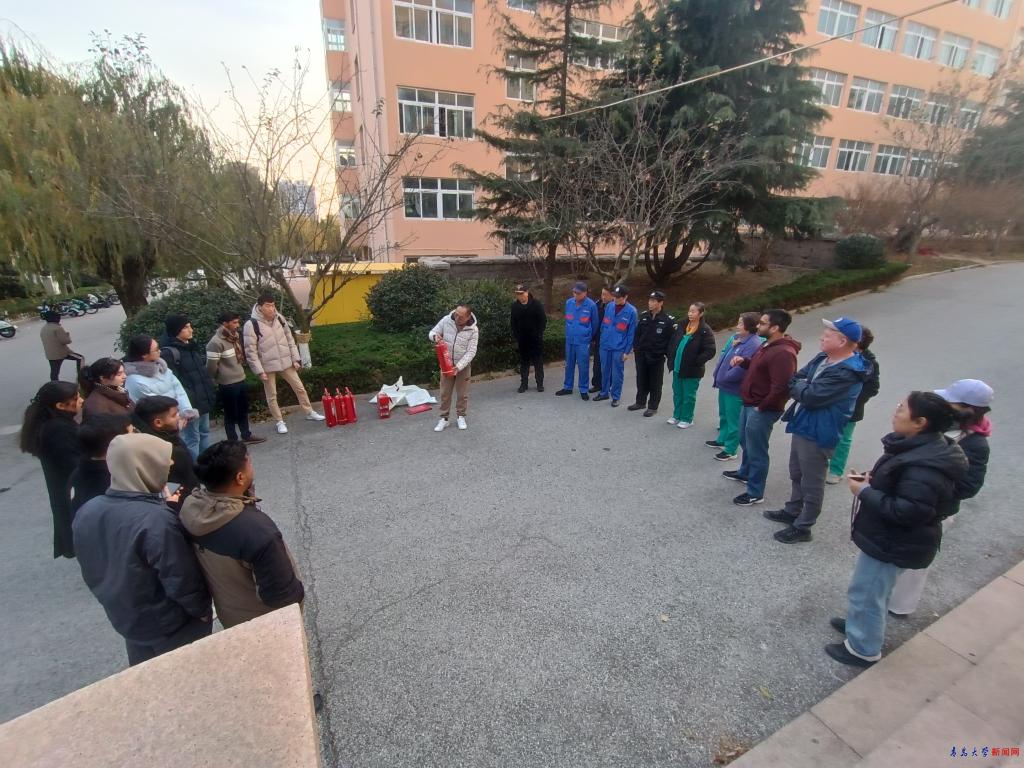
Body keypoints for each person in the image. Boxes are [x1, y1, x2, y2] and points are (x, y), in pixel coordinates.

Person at [826, 392, 967, 667]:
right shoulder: (921, 448)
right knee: (872, 591)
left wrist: (864, 491)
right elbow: (903, 488)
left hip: (894, 540)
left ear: (920, 422)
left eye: (902, 408)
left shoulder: (925, 466)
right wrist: (873, 480)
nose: (896, 411)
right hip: (891, 537)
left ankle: (863, 649)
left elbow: (908, 511)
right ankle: (859, 624)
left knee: (868, 593)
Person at [72, 432, 213, 666]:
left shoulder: (88, 510)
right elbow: (180, 578)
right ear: (144, 467)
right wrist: (202, 610)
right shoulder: (156, 521)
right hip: (171, 624)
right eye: (163, 462)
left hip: (127, 618)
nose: (170, 465)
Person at [888, 379, 994, 617]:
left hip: (934, 510)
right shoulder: (941, 427)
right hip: (909, 498)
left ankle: (900, 606)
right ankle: (879, 599)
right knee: (890, 556)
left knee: (914, 562)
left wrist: (929, 487)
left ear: (967, 409)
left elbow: (969, 486)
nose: (943, 403)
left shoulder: (975, 443)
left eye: (950, 401)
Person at [764, 317, 870, 543]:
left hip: (820, 431)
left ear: (842, 341)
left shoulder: (847, 372)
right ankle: (793, 510)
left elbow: (810, 396)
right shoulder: (824, 358)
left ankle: (804, 526)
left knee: (812, 481)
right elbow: (796, 378)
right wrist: (803, 387)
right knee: (797, 472)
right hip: (804, 423)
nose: (822, 337)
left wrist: (803, 388)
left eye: (828, 335)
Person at [180, 441, 305, 628]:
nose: (252, 467)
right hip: (267, 622)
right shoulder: (256, 531)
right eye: (249, 463)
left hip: (232, 616)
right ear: (240, 477)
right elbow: (283, 596)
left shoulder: (191, 509)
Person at [724, 309, 801, 507]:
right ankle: (745, 472)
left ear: (775, 328)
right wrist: (744, 361)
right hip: (750, 402)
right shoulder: (767, 345)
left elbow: (782, 387)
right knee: (745, 440)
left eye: (763, 323)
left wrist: (762, 406)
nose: (758, 326)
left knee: (757, 449)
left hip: (762, 408)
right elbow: (760, 367)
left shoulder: (784, 353)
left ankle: (755, 492)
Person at [243, 293, 325, 435]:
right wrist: (259, 371)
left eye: (273, 305)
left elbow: (289, 339)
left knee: (299, 388)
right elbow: (250, 351)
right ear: (260, 307)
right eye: (268, 306)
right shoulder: (251, 324)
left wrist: (295, 359)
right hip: (267, 366)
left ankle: (309, 412)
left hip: (286, 362)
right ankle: (279, 421)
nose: (271, 308)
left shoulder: (280, 318)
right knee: (272, 395)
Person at [19, 381, 83, 558]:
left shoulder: (54, 423)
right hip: (70, 488)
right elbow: (74, 463)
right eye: (76, 398)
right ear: (60, 405)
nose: (81, 401)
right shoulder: (58, 429)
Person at [123, 335, 199, 446]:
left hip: (176, 418)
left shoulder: (161, 366)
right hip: (162, 429)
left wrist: (186, 411)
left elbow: (178, 388)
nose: (160, 351)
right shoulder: (135, 381)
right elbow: (156, 406)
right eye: (156, 349)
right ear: (144, 355)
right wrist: (176, 419)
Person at [827, 328, 880, 484]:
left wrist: (850, 401)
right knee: (823, 433)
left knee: (843, 440)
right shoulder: (836, 354)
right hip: (828, 404)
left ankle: (836, 470)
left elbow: (872, 388)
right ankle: (821, 461)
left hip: (850, 409)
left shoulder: (869, 363)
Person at [707, 313, 762, 461]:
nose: (737, 326)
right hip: (724, 385)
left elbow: (741, 369)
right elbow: (724, 356)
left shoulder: (753, 344)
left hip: (734, 388)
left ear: (749, 326)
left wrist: (725, 377)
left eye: (740, 323)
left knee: (734, 420)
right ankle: (722, 439)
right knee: (724, 414)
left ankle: (730, 449)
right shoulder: (738, 338)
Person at [161, 315, 217, 459]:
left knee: (204, 432)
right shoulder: (170, 353)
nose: (191, 330)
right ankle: (194, 467)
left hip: (202, 400)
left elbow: (201, 374)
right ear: (176, 330)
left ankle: (206, 463)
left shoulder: (190, 347)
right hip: (189, 404)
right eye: (186, 327)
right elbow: (173, 383)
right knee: (192, 438)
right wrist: (185, 406)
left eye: (190, 326)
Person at [207, 311, 265, 445]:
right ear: (224, 324)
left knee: (243, 409)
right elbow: (211, 367)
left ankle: (246, 435)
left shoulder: (234, 336)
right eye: (234, 322)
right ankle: (232, 441)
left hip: (240, 378)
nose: (238, 325)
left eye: (238, 322)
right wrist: (219, 377)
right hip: (227, 383)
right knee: (230, 413)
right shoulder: (215, 342)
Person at [133, 395, 200, 508]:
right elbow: (179, 479)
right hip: (180, 501)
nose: (179, 417)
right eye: (174, 415)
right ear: (158, 423)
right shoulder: (167, 449)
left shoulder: (156, 437)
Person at [70, 413, 134, 516]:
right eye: (132, 434)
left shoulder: (80, 472)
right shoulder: (114, 484)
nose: (138, 437)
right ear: (114, 444)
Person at [429, 304, 480, 432]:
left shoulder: (473, 330)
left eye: (461, 317)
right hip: (446, 364)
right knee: (445, 393)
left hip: (463, 366)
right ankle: (444, 419)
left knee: (462, 394)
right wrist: (435, 337)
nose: (457, 318)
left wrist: (458, 367)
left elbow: (471, 352)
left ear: (468, 317)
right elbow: (432, 332)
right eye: (456, 314)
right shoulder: (446, 320)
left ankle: (461, 416)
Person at [665, 302, 716, 427]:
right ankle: (677, 415)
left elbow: (710, 350)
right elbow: (673, 341)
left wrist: (696, 361)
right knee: (677, 393)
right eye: (689, 311)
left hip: (692, 370)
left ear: (701, 313)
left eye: (693, 311)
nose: (690, 314)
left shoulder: (705, 330)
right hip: (677, 367)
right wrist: (670, 355)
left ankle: (687, 418)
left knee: (688, 395)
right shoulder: (682, 325)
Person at [628, 291, 677, 417]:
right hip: (642, 355)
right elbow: (637, 334)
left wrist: (666, 354)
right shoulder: (644, 316)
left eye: (654, 301)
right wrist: (636, 349)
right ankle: (640, 402)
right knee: (641, 379)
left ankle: (653, 406)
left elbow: (672, 340)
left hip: (657, 356)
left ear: (660, 303)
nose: (650, 303)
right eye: (650, 300)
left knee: (655, 382)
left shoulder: (668, 320)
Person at [595, 285, 638, 407]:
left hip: (619, 347)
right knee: (604, 370)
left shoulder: (631, 312)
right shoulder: (609, 306)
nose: (616, 299)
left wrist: (627, 351)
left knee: (617, 373)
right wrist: (601, 340)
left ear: (625, 297)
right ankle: (604, 392)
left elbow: (631, 333)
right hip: (605, 345)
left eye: (619, 297)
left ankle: (616, 396)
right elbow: (604, 324)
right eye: (615, 296)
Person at [556, 282, 599, 401]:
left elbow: (595, 324)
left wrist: (587, 336)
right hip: (570, 340)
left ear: (585, 293)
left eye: (578, 293)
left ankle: (583, 389)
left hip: (583, 341)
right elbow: (568, 320)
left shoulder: (591, 305)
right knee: (569, 364)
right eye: (574, 292)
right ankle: (567, 387)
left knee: (583, 366)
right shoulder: (569, 303)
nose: (575, 295)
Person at [509, 284, 547, 393]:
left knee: (538, 362)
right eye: (517, 294)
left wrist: (539, 334)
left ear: (527, 293)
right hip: (522, 339)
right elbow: (513, 323)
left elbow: (543, 320)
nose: (519, 296)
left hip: (535, 339)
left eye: (521, 293)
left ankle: (539, 384)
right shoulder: (515, 306)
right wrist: (517, 335)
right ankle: (524, 384)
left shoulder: (536, 304)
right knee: (524, 362)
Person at [40, 311, 84, 382]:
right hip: (61, 353)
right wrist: (67, 335)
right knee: (80, 358)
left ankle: (54, 384)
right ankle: (81, 377)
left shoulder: (43, 328)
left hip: (50, 355)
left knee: (54, 372)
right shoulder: (57, 328)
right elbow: (66, 341)